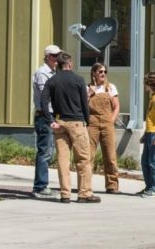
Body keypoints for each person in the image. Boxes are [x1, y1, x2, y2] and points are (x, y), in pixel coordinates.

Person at [40, 52, 100, 204]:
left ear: (57, 64)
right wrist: (86, 121)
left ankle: (65, 194)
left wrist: (50, 120)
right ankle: (84, 193)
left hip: (60, 122)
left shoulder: (52, 81)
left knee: (63, 160)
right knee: (83, 159)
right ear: (70, 63)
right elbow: (84, 104)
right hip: (77, 123)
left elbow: (43, 101)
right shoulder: (78, 80)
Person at [31, 45, 61, 199]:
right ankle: (40, 187)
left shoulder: (53, 73)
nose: (57, 59)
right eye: (55, 56)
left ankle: (42, 185)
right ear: (48, 56)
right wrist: (50, 119)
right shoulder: (42, 73)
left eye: (58, 56)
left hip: (49, 115)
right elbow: (45, 98)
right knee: (44, 152)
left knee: (48, 152)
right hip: (44, 115)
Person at [87, 63, 120, 194]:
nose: (103, 74)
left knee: (110, 155)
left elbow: (116, 106)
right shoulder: (87, 88)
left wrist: (111, 120)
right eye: (100, 72)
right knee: (89, 155)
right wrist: (89, 94)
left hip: (107, 122)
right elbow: (83, 105)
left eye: (105, 72)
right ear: (94, 73)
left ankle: (112, 185)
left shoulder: (110, 88)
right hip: (92, 122)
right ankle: (86, 184)